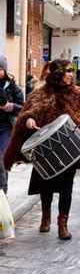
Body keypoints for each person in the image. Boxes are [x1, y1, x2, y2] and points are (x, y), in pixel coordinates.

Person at [3, 59, 80, 240]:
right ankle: (46, 217)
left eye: (71, 71)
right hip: (45, 146)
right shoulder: (40, 93)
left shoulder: (76, 95)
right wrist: (29, 120)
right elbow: (27, 112)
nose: (71, 75)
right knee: (46, 185)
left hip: (67, 146)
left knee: (66, 188)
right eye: (67, 71)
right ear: (57, 74)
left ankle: (62, 225)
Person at [0, 55, 25, 194]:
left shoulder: (12, 86)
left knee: (3, 160)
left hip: (6, 126)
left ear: (4, 70)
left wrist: (9, 106)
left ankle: (2, 194)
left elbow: (22, 106)